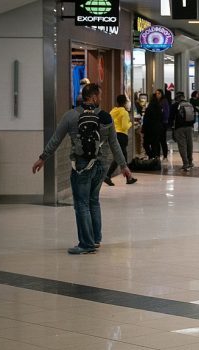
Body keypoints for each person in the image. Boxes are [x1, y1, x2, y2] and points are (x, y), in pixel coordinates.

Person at [32, 83, 132, 255]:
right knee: (93, 201)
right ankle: (95, 239)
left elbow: (56, 139)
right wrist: (123, 165)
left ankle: (86, 244)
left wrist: (43, 158)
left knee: (81, 204)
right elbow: (114, 144)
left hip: (82, 166)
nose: (100, 99)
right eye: (99, 95)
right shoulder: (106, 117)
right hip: (101, 165)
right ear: (92, 97)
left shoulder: (71, 116)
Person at [105, 95, 138, 186]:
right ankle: (110, 175)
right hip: (122, 136)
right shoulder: (124, 112)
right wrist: (131, 123)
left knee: (120, 156)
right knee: (121, 157)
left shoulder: (112, 111)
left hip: (113, 135)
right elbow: (124, 127)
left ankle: (127, 178)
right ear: (124, 103)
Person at [173, 92, 196, 171]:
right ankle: (190, 162)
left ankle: (185, 164)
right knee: (190, 144)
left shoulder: (176, 105)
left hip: (179, 128)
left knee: (182, 145)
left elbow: (171, 116)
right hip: (189, 127)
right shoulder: (189, 104)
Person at [143, 92, 164, 159]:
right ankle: (154, 158)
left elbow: (146, 119)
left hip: (149, 129)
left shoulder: (149, 108)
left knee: (145, 144)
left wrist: (143, 128)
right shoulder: (159, 107)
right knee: (155, 144)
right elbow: (161, 118)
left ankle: (151, 156)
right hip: (157, 128)